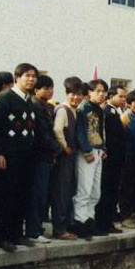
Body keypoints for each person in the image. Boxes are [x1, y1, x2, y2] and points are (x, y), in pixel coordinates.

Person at [0, 63, 38, 252]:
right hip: (9, 155)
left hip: (26, 154)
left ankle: (16, 233)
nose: (31, 79)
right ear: (17, 77)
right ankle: (0, 236)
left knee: (22, 194)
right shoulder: (4, 98)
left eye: (34, 76)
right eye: (27, 75)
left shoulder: (28, 100)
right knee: (5, 195)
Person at [73, 79, 107, 239]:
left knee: (95, 191)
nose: (101, 94)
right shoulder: (83, 108)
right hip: (87, 151)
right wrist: (86, 150)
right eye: (98, 91)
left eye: (103, 91)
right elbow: (80, 130)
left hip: (98, 150)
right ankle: (79, 222)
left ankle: (89, 220)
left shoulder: (99, 109)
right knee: (84, 189)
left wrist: (103, 148)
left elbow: (99, 130)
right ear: (90, 92)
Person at [51, 77, 83, 240]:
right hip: (64, 156)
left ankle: (67, 225)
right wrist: (65, 146)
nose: (76, 97)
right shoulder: (63, 109)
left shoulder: (75, 110)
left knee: (70, 190)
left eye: (79, 95)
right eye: (72, 94)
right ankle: (59, 229)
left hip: (72, 156)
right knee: (61, 193)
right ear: (66, 93)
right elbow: (57, 130)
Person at [29, 75, 59, 243]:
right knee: (37, 194)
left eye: (51, 88)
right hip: (38, 155)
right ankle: (34, 230)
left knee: (44, 194)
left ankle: (38, 227)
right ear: (36, 90)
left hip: (48, 156)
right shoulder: (35, 106)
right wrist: (57, 147)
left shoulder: (48, 106)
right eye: (45, 88)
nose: (49, 91)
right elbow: (41, 134)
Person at [96, 86, 126, 234]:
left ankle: (108, 222)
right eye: (121, 96)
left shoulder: (115, 112)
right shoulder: (108, 112)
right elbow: (112, 139)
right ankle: (104, 223)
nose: (123, 99)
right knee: (107, 192)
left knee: (112, 192)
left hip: (116, 159)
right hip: (110, 160)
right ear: (111, 96)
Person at [119, 91, 135, 227]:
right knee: (127, 186)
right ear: (129, 103)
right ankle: (125, 215)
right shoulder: (124, 118)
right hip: (128, 155)